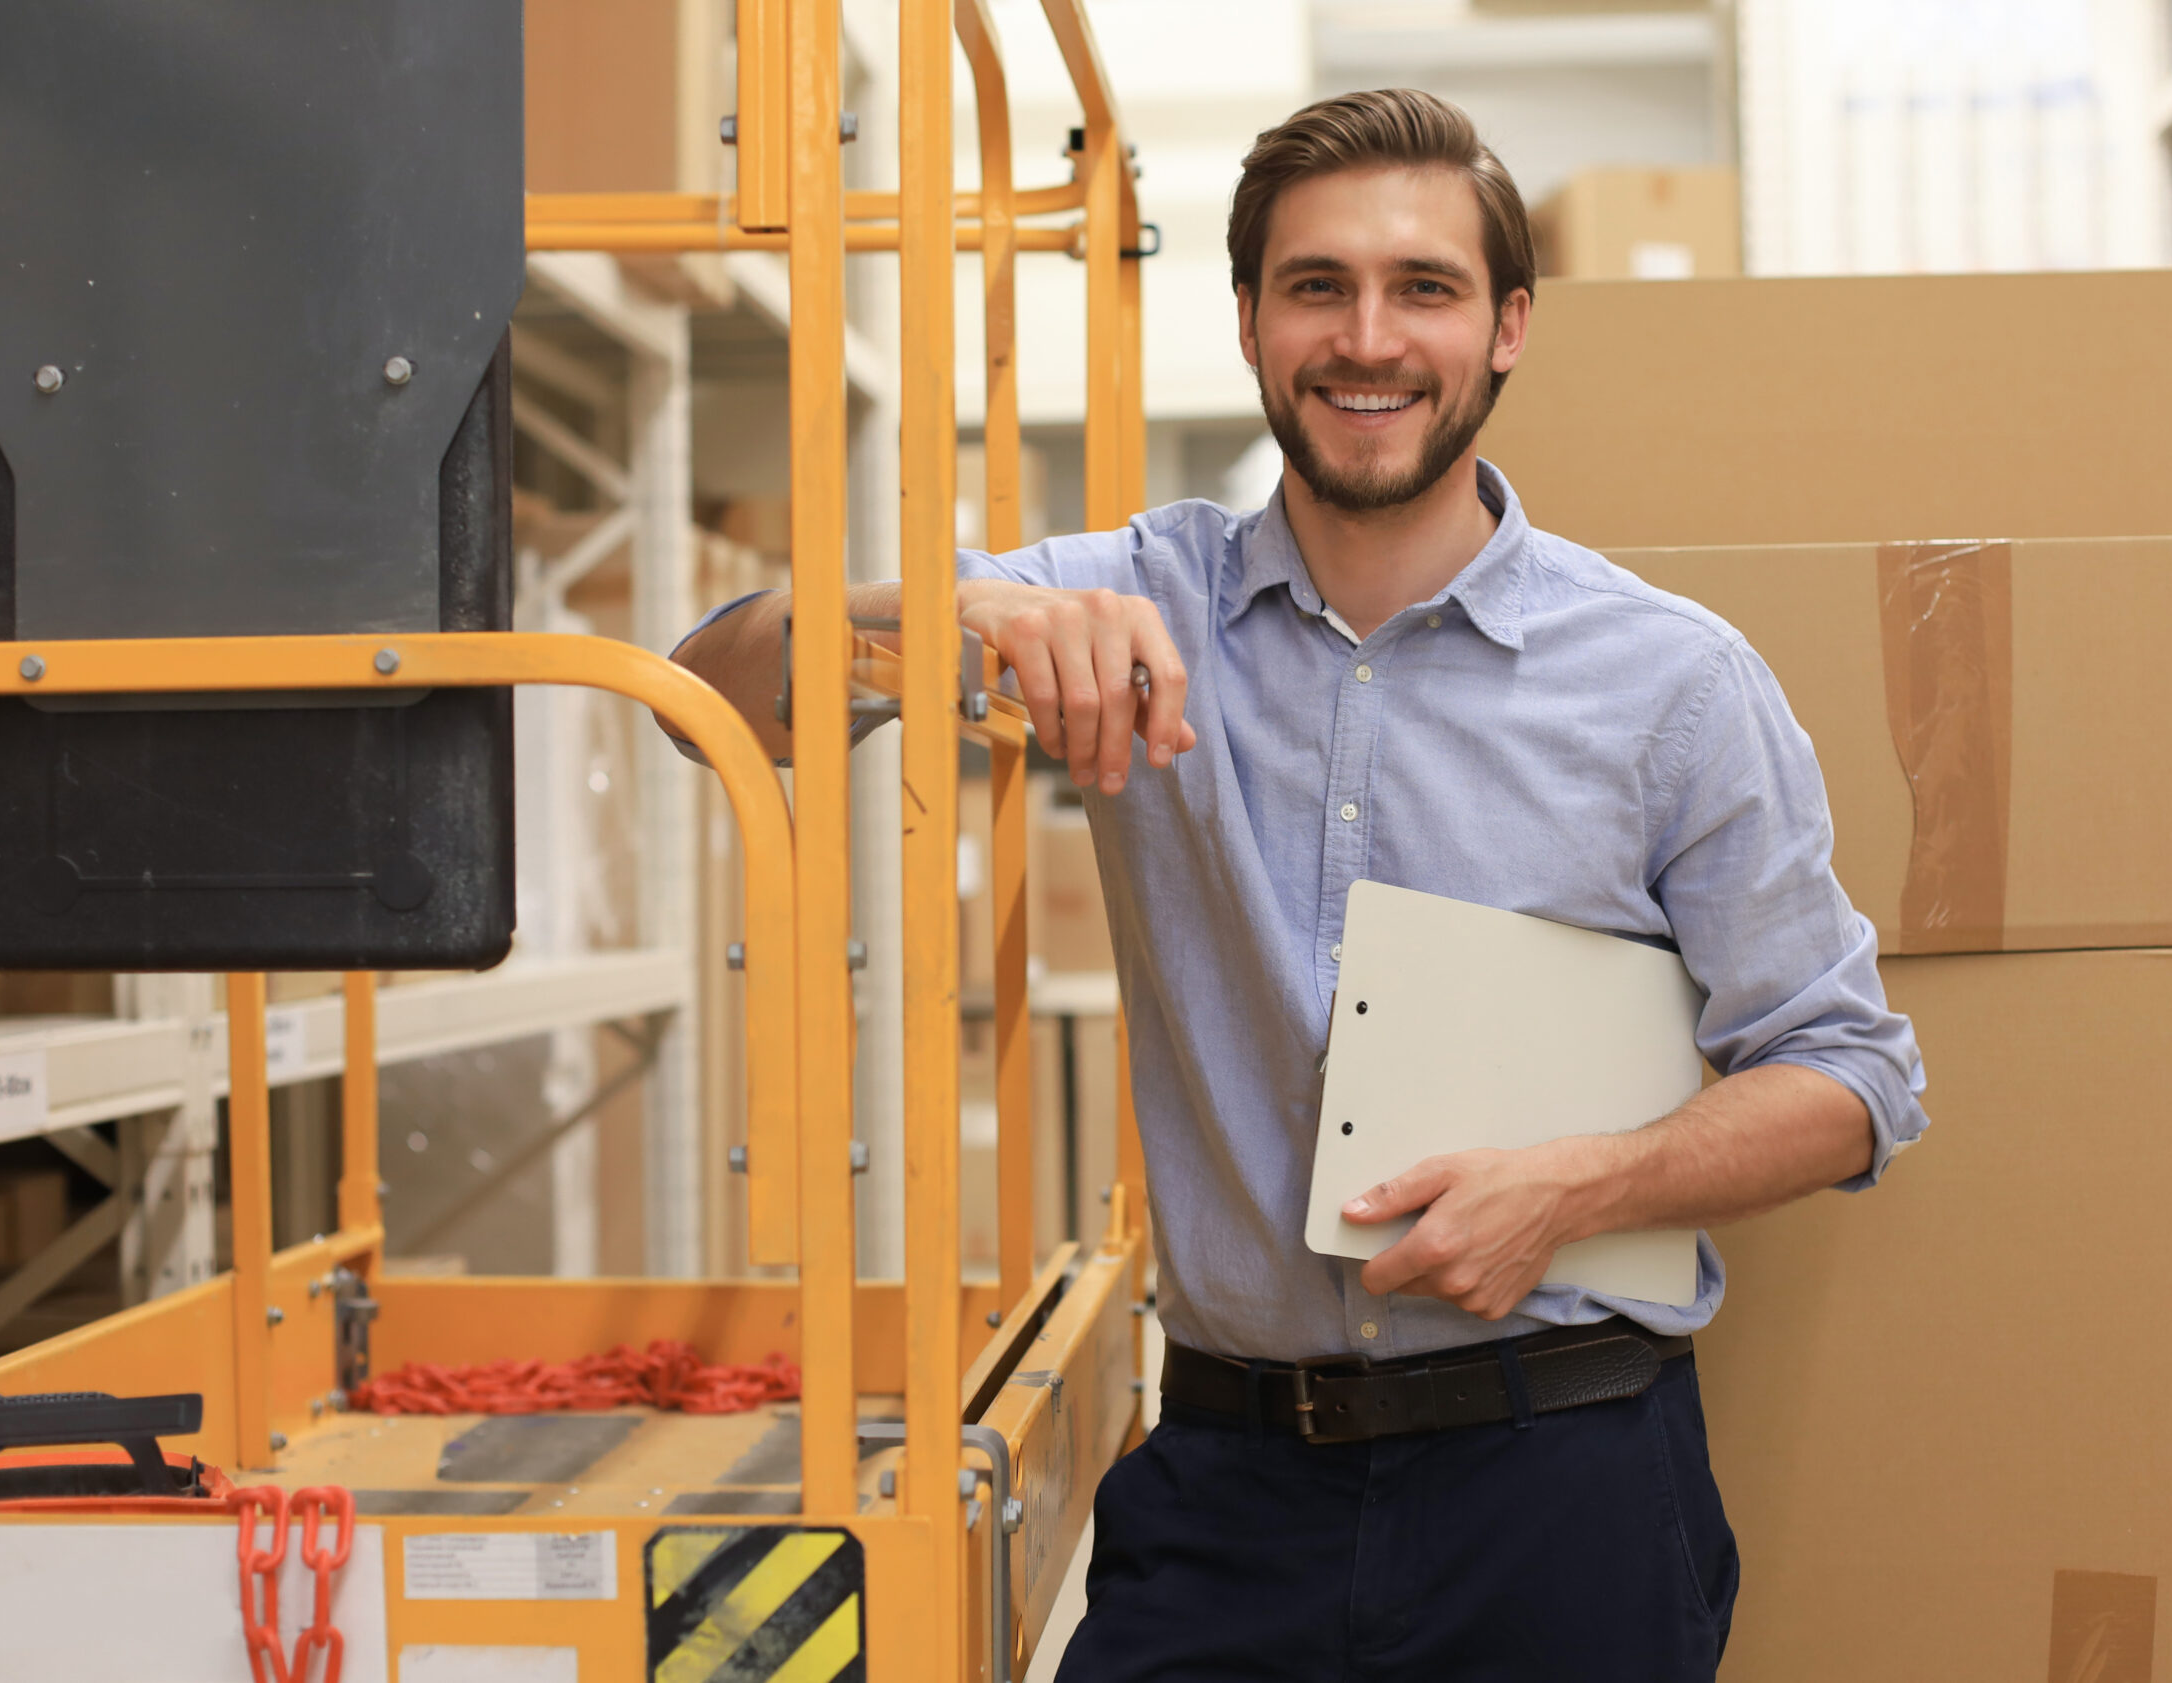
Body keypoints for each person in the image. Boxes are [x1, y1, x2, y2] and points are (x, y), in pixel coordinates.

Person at [673, 88, 1925, 1681]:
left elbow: (1852, 1077)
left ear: (1511, 326)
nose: (1368, 339)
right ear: (1256, 322)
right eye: (1316, 286)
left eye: (1426, 288)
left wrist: (1576, 1191)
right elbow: (714, 698)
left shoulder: (1672, 685)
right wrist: (945, 611)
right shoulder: (1128, 594)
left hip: (1564, 1491)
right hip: (1232, 1488)